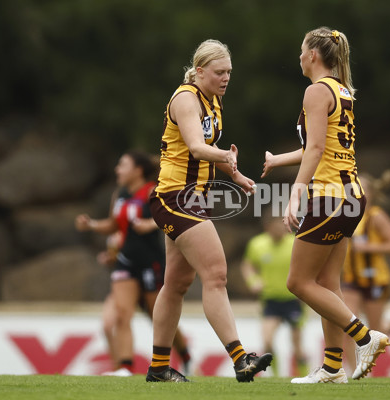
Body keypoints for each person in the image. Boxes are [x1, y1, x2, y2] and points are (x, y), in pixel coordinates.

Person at [262, 27, 390, 384]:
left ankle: (365, 338)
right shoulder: (342, 90)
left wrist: (295, 191)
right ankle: (333, 367)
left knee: (298, 282)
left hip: (330, 196)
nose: (299, 57)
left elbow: (317, 150)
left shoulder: (316, 91)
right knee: (327, 284)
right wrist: (278, 160)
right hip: (351, 195)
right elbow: (319, 146)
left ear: (314, 55)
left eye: (302, 51)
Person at [146, 39, 272, 383]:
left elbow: (211, 149)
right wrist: (224, 157)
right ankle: (240, 358)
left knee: (176, 284)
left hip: (191, 199)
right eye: (219, 72)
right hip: (175, 198)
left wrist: (235, 173)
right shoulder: (186, 98)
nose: (226, 78)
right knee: (215, 274)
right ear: (199, 71)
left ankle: (158, 368)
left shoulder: (213, 99)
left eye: (229, 72)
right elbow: (197, 148)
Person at [76, 150, 191, 376]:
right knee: (121, 315)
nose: (117, 170)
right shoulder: (119, 194)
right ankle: (126, 368)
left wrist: (151, 224)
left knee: (158, 316)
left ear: (138, 170)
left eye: (123, 165)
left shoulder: (153, 192)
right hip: (125, 262)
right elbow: (113, 225)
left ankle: (185, 355)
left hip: (151, 263)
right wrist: (91, 224)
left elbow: (173, 216)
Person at [341, 170, 390, 374]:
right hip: (351, 280)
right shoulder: (345, 215)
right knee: (348, 326)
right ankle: (355, 375)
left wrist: (369, 248)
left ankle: (386, 326)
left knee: (375, 331)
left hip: (375, 280)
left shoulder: (376, 216)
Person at [240, 210, 307, 377]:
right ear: (267, 226)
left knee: (297, 345)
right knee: (267, 341)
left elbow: (307, 267)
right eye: (277, 224)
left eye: (283, 224)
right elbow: (247, 265)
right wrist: (253, 281)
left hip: (293, 299)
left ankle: (305, 375)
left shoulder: (295, 243)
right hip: (270, 300)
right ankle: (277, 377)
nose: (281, 228)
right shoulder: (257, 244)